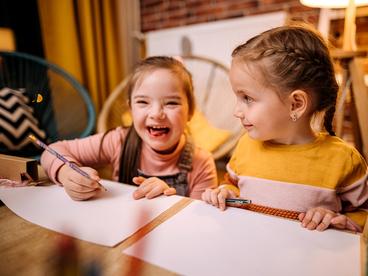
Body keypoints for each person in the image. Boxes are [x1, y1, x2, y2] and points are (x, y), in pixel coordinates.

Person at [201, 24, 368, 232]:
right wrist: (225, 192)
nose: (237, 111)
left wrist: (338, 220)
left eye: (248, 98)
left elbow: (363, 214)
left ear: (296, 104)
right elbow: (233, 184)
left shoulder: (343, 161)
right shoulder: (246, 145)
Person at [41, 56, 217, 201]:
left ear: (190, 112)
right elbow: (51, 150)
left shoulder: (202, 164)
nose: (156, 114)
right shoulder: (118, 141)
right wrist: (66, 172)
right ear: (131, 109)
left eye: (171, 103)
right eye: (143, 102)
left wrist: (168, 201)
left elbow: (198, 226)